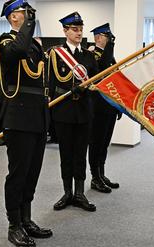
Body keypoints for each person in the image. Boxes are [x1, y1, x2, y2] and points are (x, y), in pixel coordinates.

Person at [0, 0, 52, 247]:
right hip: (18, 117)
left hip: (38, 117)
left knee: (32, 173)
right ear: (13, 17)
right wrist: (29, 24)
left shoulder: (34, 45)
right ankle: (14, 225)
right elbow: (17, 52)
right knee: (18, 174)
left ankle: (27, 218)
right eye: (23, 12)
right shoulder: (6, 41)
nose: (29, 15)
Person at [48, 12, 98, 212]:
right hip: (64, 111)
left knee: (80, 153)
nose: (79, 33)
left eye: (80, 29)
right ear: (65, 31)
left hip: (84, 111)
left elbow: (96, 81)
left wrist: (85, 88)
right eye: (74, 29)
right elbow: (50, 82)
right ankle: (67, 192)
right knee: (65, 153)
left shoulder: (88, 55)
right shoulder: (55, 54)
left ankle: (80, 193)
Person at [88, 23, 121, 193]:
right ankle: (95, 177)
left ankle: (101, 173)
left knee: (105, 143)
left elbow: (114, 79)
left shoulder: (109, 56)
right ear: (99, 37)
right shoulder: (92, 54)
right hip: (98, 109)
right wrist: (110, 47)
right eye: (108, 38)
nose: (110, 42)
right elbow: (101, 68)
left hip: (109, 107)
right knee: (96, 143)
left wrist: (118, 106)